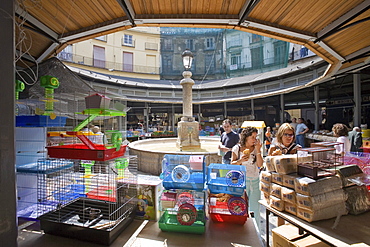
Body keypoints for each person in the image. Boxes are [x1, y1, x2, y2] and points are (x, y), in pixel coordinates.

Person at [231, 127, 263, 224]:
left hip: (255, 181)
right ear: (246, 138)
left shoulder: (256, 149)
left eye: (255, 137)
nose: (255, 139)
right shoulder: (237, 148)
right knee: (241, 207)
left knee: (255, 208)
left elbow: (260, 165)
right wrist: (241, 161)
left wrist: (258, 150)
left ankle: (256, 230)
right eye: (252, 137)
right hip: (242, 182)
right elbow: (231, 164)